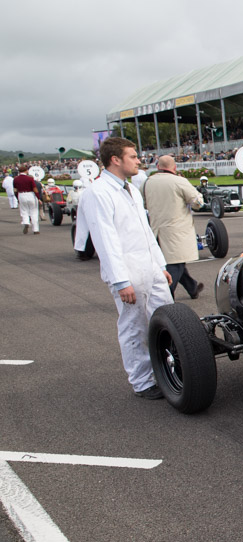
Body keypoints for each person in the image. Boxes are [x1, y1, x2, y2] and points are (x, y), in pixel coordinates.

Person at [77, 137, 173, 399]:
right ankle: (142, 380)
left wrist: (159, 265)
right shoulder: (98, 193)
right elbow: (105, 240)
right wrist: (120, 281)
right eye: (132, 156)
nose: (138, 160)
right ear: (115, 160)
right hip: (127, 268)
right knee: (135, 326)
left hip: (149, 265)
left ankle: (167, 369)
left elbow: (145, 232)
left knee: (166, 317)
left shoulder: (129, 189)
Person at [143, 155, 205, 300]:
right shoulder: (179, 181)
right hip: (177, 230)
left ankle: (192, 287)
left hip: (156, 229)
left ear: (158, 167)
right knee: (175, 264)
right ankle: (166, 294)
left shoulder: (148, 182)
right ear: (174, 167)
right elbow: (197, 202)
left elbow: (143, 202)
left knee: (176, 261)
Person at [13, 165, 40, 234]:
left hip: (21, 195)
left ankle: (26, 222)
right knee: (34, 211)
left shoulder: (15, 179)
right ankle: (35, 229)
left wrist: (17, 198)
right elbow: (35, 189)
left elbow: (15, 190)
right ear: (26, 171)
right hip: (30, 194)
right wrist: (38, 198)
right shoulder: (29, 179)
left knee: (24, 211)